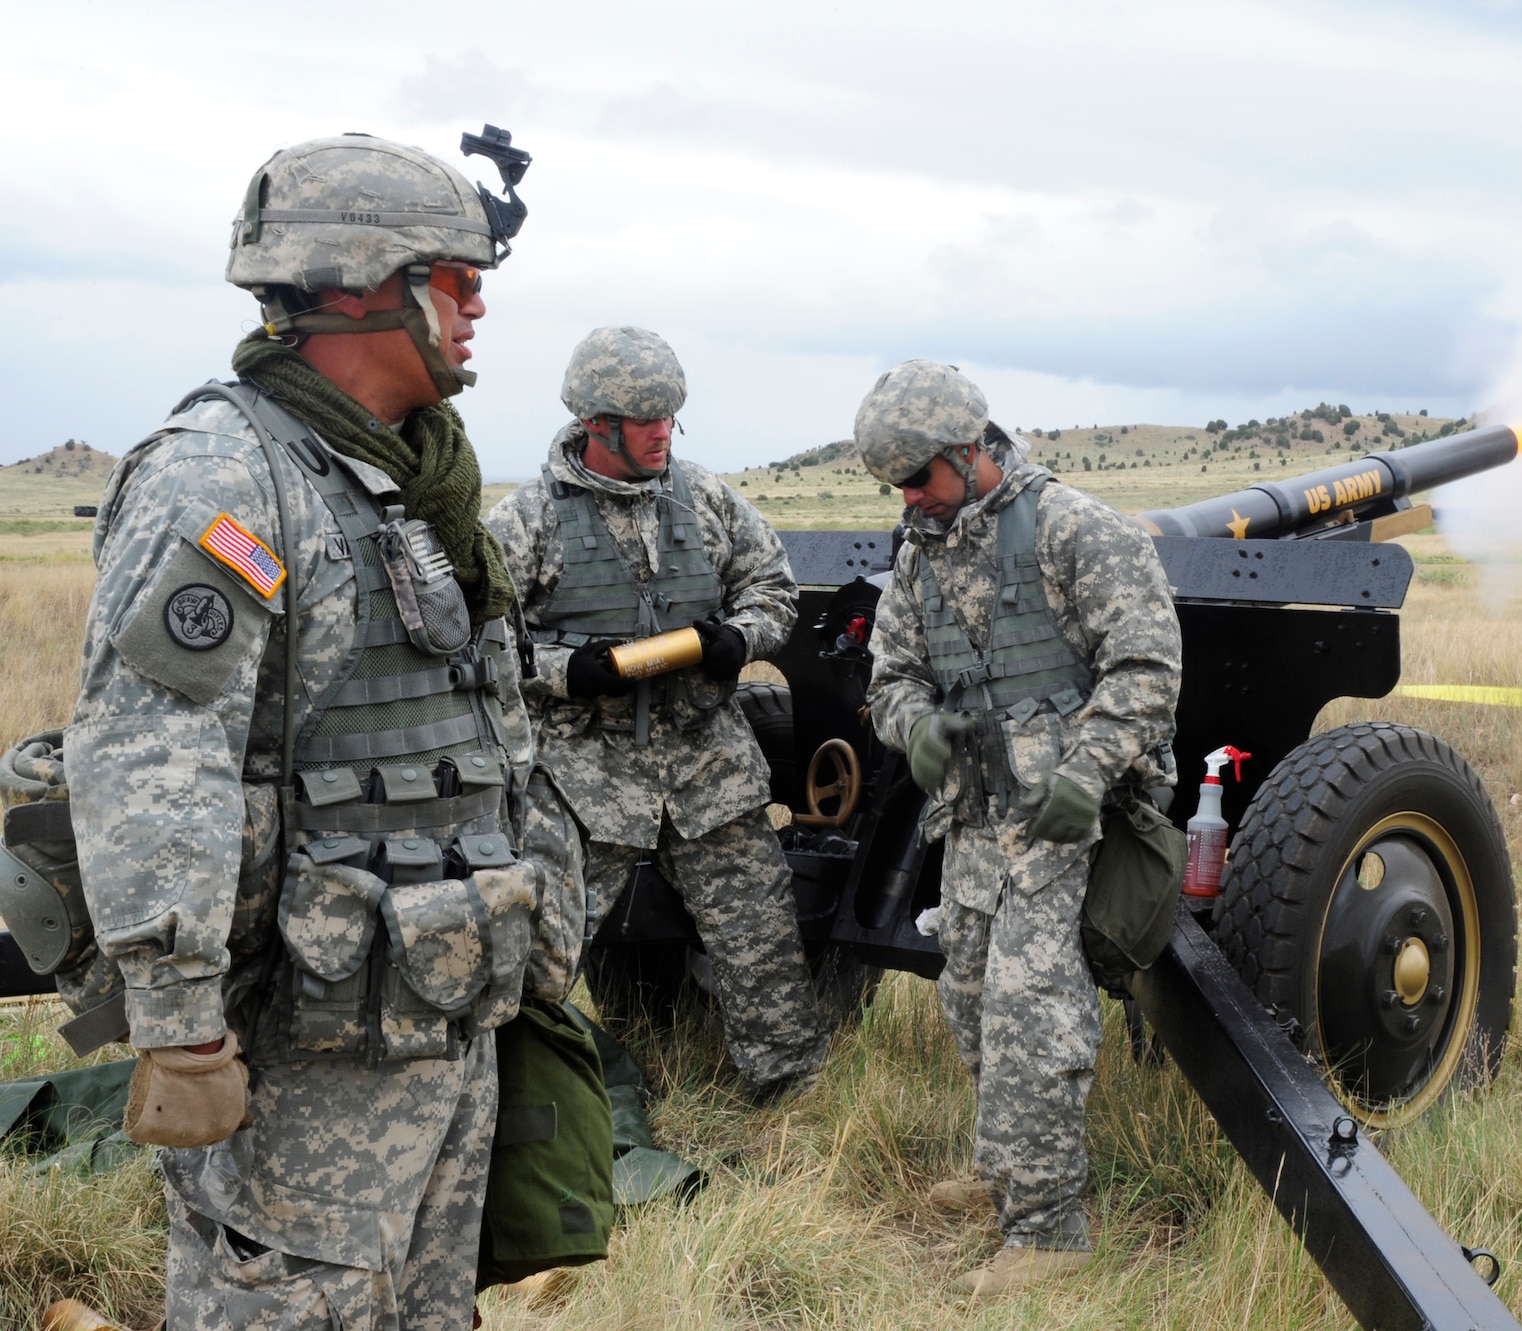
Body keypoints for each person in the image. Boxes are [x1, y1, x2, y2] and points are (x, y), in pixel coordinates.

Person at [65, 130, 585, 1329]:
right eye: (456, 278)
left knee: (428, 1305)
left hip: (436, 995)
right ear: (363, 284)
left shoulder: (419, 479)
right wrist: (181, 1023)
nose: (478, 305)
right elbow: (153, 751)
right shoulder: (228, 477)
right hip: (302, 1031)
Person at [856, 360, 1182, 1295]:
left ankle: (1049, 1232)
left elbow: (1147, 668)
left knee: (1034, 1014)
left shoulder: (1078, 532)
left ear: (970, 450)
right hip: (975, 820)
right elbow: (892, 676)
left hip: (1065, 824)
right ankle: (1005, 1167)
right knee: (968, 997)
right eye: (897, 486)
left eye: (919, 477)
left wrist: (1087, 773)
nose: (910, 499)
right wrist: (917, 729)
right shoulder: (922, 552)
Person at [483, 326, 827, 1099]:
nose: (663, 430)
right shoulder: (527, 521)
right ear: (596, 425)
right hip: (581, 773)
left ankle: (793, 1099)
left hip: (706, 759)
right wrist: (566, 671)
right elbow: (477, 647)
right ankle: (517, 1101)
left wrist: (735, 639)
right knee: (537, 950)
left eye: (671, 415)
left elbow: (774, 589)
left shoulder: (705, 498)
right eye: (645, 419)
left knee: (761, 939)